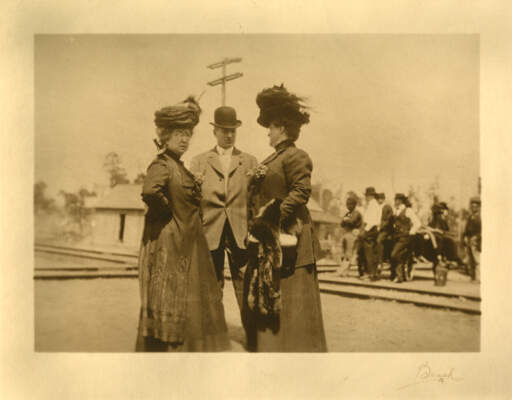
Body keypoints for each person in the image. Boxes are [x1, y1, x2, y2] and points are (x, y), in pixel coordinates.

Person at [136, 97, 230, 352]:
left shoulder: (178, 165)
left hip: (189, 244)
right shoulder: (162, 164)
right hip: (172, 243)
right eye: (179, 134)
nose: (185, 140)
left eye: (188, 134)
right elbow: (150, 192)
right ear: (166, 136)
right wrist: (170, 217)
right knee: (173, 298)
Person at [243, 84, 327, 352]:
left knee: (292, 295)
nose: (267, 131)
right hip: (271, 238)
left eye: (270, 126)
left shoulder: (296, 156)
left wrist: (271, 217)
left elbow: (301, 192)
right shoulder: (273, 157)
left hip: (292, 237)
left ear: (281, 128)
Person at [189, 106, 257, 323]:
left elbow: (255, 200)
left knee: (244, 280)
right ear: (215, 131)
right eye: (224, 130)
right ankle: (213, 330)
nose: (228, 135)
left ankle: (252, 333)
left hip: (239, 230)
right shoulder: (199, 161)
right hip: (210, 229)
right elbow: (192, 200)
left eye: (232, 131)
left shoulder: (249, 161)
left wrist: (253, 228)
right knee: (211, 281)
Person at [390, 193, 421, 283]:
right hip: (396, 237)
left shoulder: (408, 210)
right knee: (399, 255)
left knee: (394, 254)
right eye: (395, 199)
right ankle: (400, 276)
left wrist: (411, 232)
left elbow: (418, 223)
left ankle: (399, 275)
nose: (395, 201)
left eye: (397, 200)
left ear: (401, 201)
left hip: (405, 237)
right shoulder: (396, 211)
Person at [338, 195, 363, 276]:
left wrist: (346, 220)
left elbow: (352, 222)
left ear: (354, 205)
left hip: (352, 234)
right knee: (344, 253)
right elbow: (342, 223)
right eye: (347, 204)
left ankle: (344, 271)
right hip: (346, 233)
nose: (348, 206)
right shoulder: (348, 213)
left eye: (350, 204)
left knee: (349, 253)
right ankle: (344, 270)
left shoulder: (357, 213)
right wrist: (345, 220)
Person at [360, 186, 381, 281]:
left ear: (371, 196)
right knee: (369, 252)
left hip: (370, 230)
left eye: (367, 195)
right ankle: (370, 273)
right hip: (371, 229)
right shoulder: (372, 204)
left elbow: (372, 221)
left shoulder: (373, 205)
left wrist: (365, 230)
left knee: (369, 253)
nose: (366, 197)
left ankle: (371, 274)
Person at [462, 196, 481, 282]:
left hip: (476, 239)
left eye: (475, 206)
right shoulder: (470, 217)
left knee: (477, 259)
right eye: (472, 206)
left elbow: (482, 230)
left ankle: (478, 277)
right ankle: (472, 277)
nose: (473, 208)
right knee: (470, 259)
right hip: (469, 239)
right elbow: (466, 228)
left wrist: (476, 237)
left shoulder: (480, 217)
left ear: (478, 207)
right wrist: (465, 237)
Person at [376, 192, 393, 272]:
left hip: (386, 230)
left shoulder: (387, 207)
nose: (379, 200)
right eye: (378, 199)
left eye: (381, 199)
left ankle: (380, 262)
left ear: (383, 199)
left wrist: (381, 226)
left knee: (379, 241)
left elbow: (389, 220)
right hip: (377, 228)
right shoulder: (376, 207)